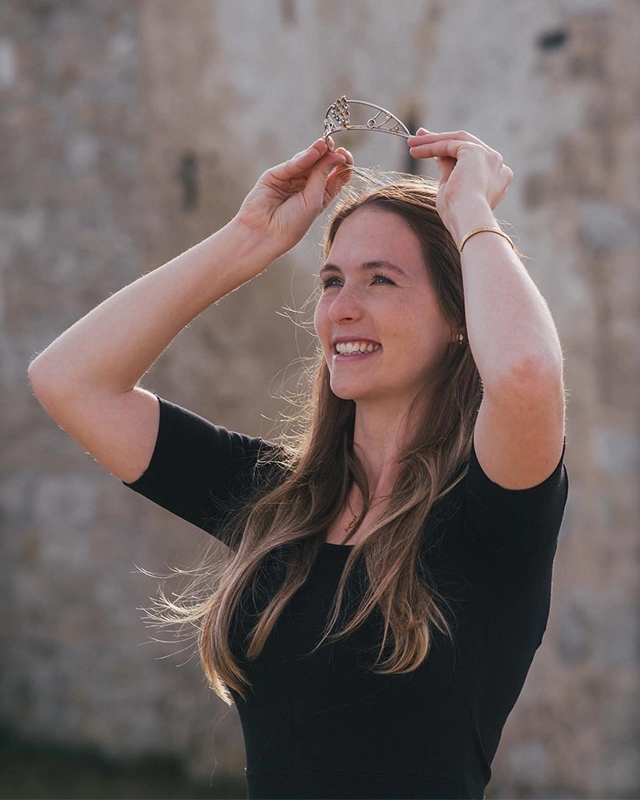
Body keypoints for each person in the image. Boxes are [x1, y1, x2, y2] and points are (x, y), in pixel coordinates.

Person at [28, 128, 569, 800]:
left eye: (381, 280)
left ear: (460, 315)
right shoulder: (280, 502)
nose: (342, 309)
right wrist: (249, 240)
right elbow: (69, 380)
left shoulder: (491, 515)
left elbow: (524, 370)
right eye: (331, 280)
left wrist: (472, 218)